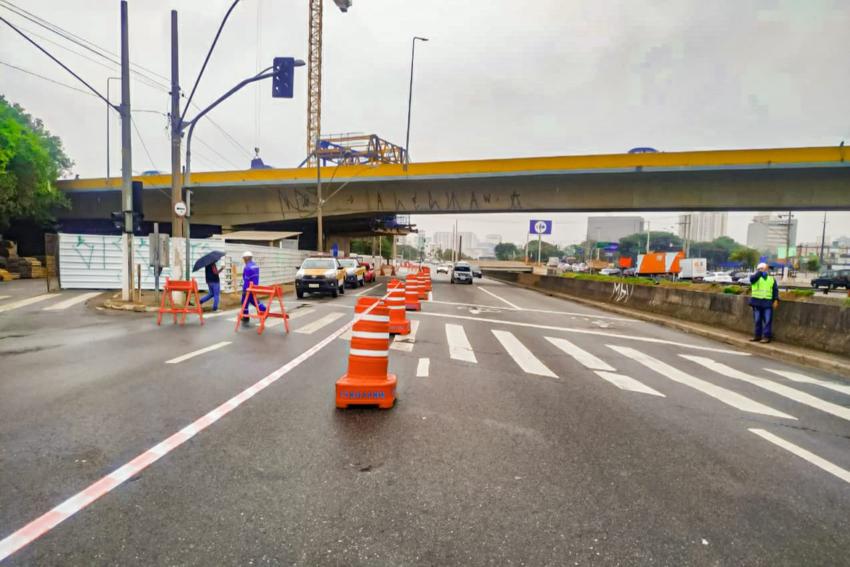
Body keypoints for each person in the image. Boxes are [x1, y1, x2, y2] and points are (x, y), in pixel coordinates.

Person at [749, 262, 779, 343]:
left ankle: (766, 337)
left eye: (766, 269)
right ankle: (757, 336)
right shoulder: (754, 277)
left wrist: (776, 300)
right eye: (763, 269)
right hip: (757, 302)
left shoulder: (771, 279)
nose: (765, 271)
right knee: (757, 320)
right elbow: (752, 279)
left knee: (768, 320)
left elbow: (775, 291)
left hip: (767, 303)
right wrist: (761, 270)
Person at [241, 251, 265, 324]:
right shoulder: (256, 266)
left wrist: (244, 290)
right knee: (252, 300)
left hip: (249, 288)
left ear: (246, 258)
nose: (244, 260)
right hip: (255, 286)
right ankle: (263, 309)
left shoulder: (247, 267)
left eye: (244, 258)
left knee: (244, 301)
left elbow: (246, 280)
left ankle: (246, 317)